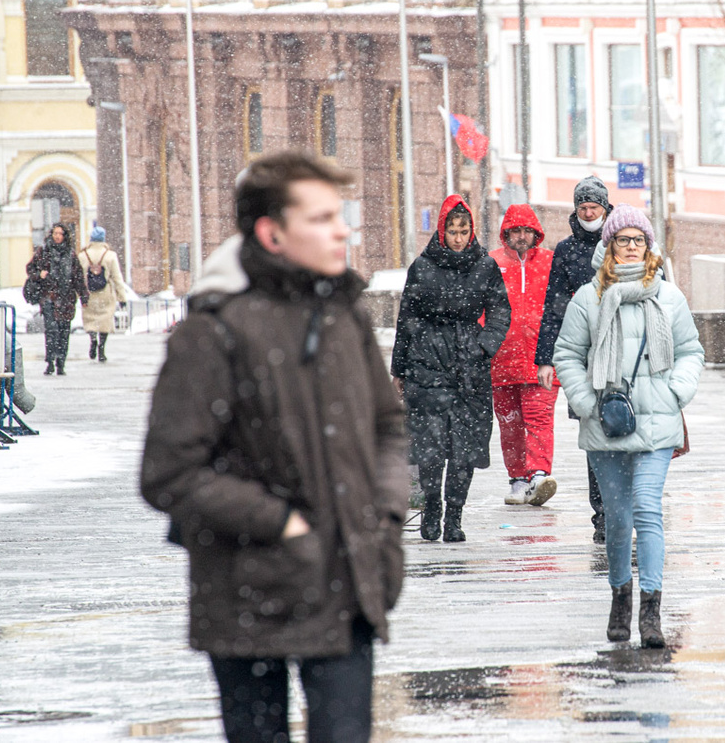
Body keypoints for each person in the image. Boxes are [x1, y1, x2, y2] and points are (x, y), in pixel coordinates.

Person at [140, 151, 410, 743]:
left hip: (348, 583)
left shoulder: (345, 319)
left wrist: (385, 515)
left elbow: (387, 428)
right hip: (249, 594)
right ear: (272, 232)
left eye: (339, 216)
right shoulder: (214, 332)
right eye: (321, 218)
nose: (342, 229)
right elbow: (169, 473)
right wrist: (282, 522)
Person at [552, 204, 703, 648]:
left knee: (647, 510)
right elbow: (567, 354)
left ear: (649, 245)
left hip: (657, 420)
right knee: (617, 520)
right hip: (608, 422)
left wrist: (675, 391)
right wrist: (583, 401)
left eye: (638, 239)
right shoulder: (589, 297)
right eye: (623, 239)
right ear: (610, 245)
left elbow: (691, 351)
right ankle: (620, 597)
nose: (631, 246)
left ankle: (651, 611)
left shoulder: (668, 297)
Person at [392, 195, 511, 543]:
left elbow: (500, 312)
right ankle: (431, 508)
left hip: (468, 366)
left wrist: (483, 346)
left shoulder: (484, 266)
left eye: (464, 231)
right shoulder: (422, 266)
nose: (458, 238)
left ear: (471, 231)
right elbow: (407, 318)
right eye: (452, 230)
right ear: (441, 230)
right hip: (426, 363)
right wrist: (400, 366)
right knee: (429, 445)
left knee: (465, 446)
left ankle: (454, 516)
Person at [535, 175, 612, 542]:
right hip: (582, 355)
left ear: (605, 208)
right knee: (593, 435)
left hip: (619, 353)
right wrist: (546, 358)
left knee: (623, 431)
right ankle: (602, 515)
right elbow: (553, 306)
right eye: (582, 207)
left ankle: (622, 508)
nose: (588, 213)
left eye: (593, 207)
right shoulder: (565, 251)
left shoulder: (622, 241)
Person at [490, 203, 559, 507]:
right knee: (510, 424)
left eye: (526, 231)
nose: (520, 236)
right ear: (506, 233)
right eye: (515, 231)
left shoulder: (550, 263)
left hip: (540, 360)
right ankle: (518, 479)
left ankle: (539, 475)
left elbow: (560, 308)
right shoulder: (490, 263)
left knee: (539, 419)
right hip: (501, 362)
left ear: (535, 233)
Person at [25, 223, 88, 375]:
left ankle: (61, 362)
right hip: (49, 298)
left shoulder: (71, 255)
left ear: (65, 236)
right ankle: (50, 362)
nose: (57, 236)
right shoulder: (44, 252)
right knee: (51, 331)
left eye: (60, 233)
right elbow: (30, 268)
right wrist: (39, 274)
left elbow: (78, 277)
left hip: (66, 300)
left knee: (63, 332)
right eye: (55, 233)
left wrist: (84, 296)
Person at [78, 225, 127, 363]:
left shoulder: (83, 256)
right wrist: (122, 297)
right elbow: (117, 278)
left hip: (89, 294)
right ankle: (101, 348)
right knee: (104, 321)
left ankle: (92, 338)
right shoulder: (110, 256)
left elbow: (79, 278)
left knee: (90, 320)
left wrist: (78, 295)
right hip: (106, 294)